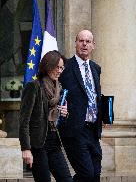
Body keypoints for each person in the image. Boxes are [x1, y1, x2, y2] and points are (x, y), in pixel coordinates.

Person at [19, 50, 73, 182]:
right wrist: (26, 148)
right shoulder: (34, 87)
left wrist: (65, 113)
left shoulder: (59, 89)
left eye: (62, 67)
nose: (60, 71)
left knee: (66, 179)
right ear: (48, 66)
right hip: (38, 144)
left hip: (54, 142)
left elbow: (59, 119)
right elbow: (24, 121)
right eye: (57, 67)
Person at [58, 30, 102, 182]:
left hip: (93, 130)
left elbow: (95, 95)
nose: (84, 44)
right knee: (86, 174)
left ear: (93, 45)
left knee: (95, 175)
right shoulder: (65, 67)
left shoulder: (96, 68)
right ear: (75, 43)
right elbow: (56, 92)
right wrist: (60, 107)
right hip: (74, 130)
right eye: (81, 41)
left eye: (88, 41)